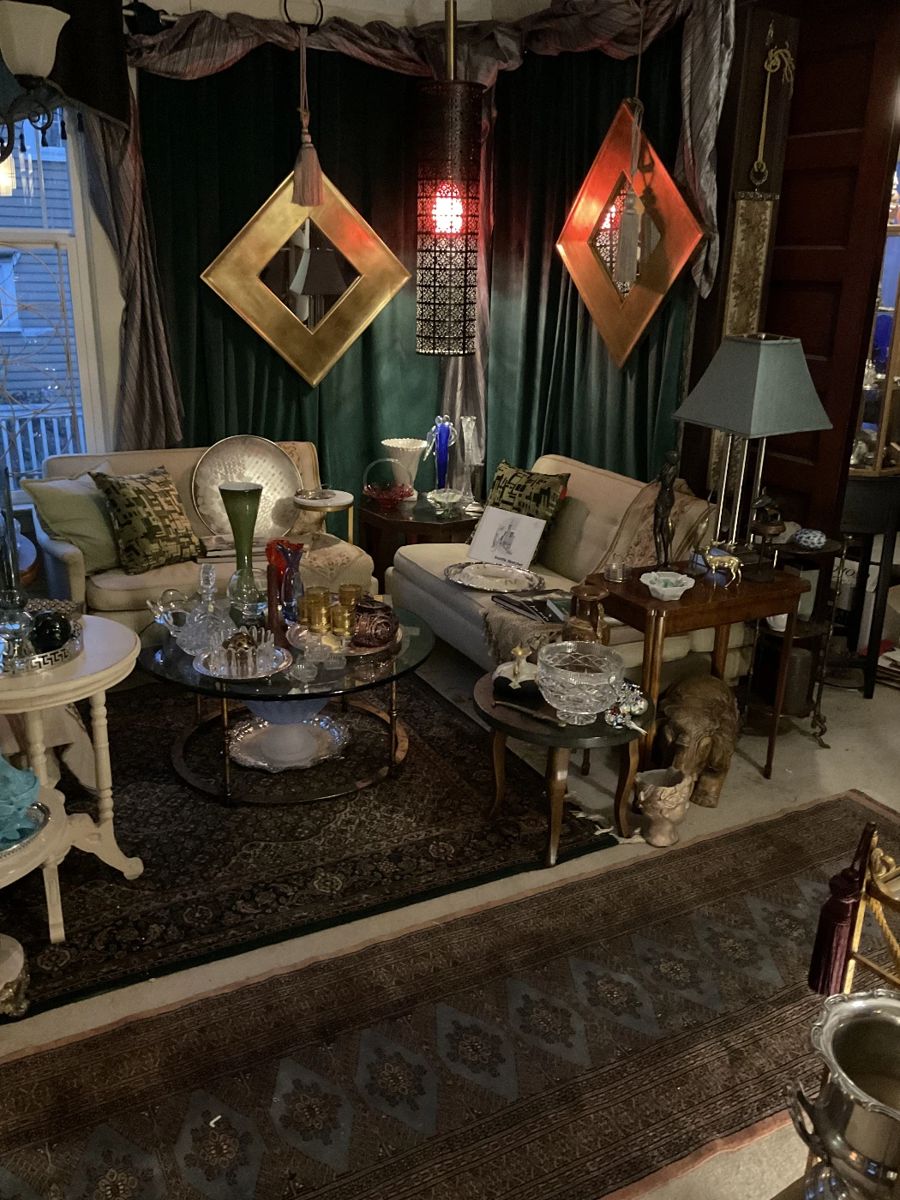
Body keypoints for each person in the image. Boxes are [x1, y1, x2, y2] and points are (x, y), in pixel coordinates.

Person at [653, 450, 679, 568]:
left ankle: (663, 559)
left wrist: (662, 475)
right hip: (664, 496)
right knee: (659, 529)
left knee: (659, 529)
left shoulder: (672, 469)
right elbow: (659, 478)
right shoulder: (667, 466)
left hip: (665, 497)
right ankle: (662, 559)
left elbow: (667, 482)